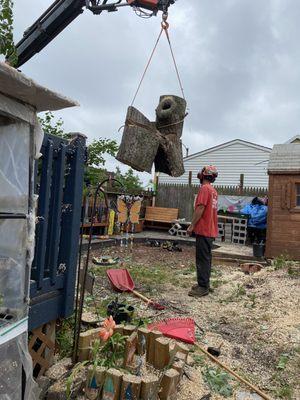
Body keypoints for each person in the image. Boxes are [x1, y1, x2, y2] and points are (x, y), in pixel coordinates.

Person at [187, 165, 218, 297]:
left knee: (202, 259)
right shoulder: (213, 190)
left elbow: (200, 208)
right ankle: (204, 283)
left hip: (204, 230)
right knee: (206, 259)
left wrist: (191, 226)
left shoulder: (204, 189)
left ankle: (203, 287)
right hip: (210, 230)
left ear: (203, 175)